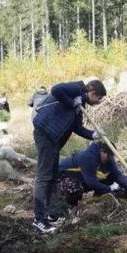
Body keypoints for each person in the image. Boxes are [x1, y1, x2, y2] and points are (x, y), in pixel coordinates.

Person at [32, 80, 107, 233]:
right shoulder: (76, 89)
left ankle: (52, 215)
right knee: (44, 177)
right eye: (98, 98)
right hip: (45, 133)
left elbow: (77, 127)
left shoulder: (80, 105)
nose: (98, 102)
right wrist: (72, 101)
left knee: (53, 176)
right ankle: (39, 219)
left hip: (54, 139)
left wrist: (93, 135)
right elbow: (56, 89)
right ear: (92, 92)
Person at [50, 142, 127, 218]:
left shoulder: (108, 159)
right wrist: (109, 188)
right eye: (109, 155)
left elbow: (117, 175)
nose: (110, 158)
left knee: (110, 178)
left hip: (83, 178)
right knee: (74, 188)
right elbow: (91, 182)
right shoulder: (88, 157)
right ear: (102, 151)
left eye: (112, 156)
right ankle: (71, 207)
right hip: (63, 178)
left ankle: (96, 200)